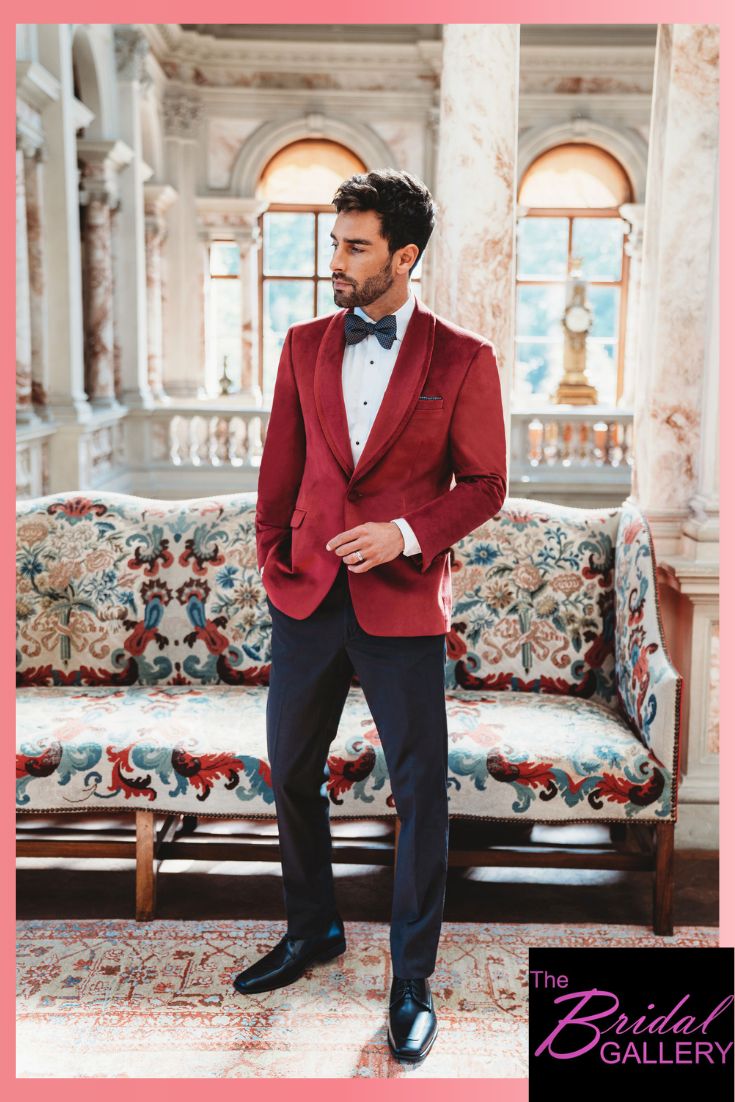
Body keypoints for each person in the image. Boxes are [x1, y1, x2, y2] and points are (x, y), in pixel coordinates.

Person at [233, 168, 507, 1064]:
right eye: (334, 244)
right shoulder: (304, 343)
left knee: (420, 789)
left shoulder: (462, 357)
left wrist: (403, 534)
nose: (337, 263)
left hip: (401, 603)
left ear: (404, 255)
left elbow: (486, 485)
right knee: (291, 772)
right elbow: (282, 462)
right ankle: (312, 931)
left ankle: (411, 978)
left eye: (355, 247)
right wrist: (275, 557)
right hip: (306, 595)